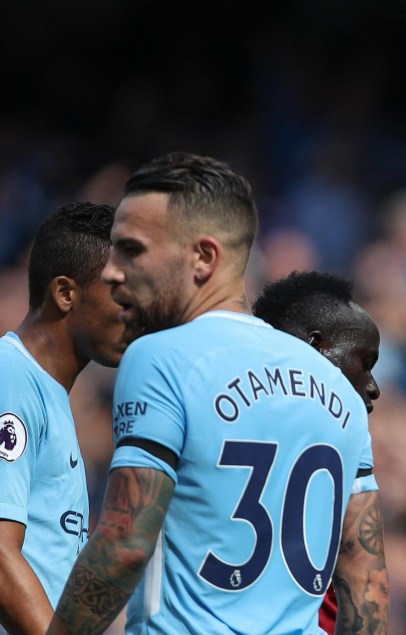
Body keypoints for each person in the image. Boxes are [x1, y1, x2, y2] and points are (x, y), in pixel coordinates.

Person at [47, 153, 383, 635]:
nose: (112, 271)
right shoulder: (340, 392)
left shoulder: (161, 357)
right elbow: (367, 584)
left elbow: (125, 544)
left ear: (204, 257)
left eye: (131, 250)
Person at [0, 202, 127, 635]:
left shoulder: (50, 394)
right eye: (120, 294)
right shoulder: (11, 376)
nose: (135, 314)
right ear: (65, 293)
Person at [251, 271, 388, 634]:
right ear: (313, 347)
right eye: (366, 362)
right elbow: (366, 584)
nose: (373, 388)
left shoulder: (214, 419)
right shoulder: (346, 432)